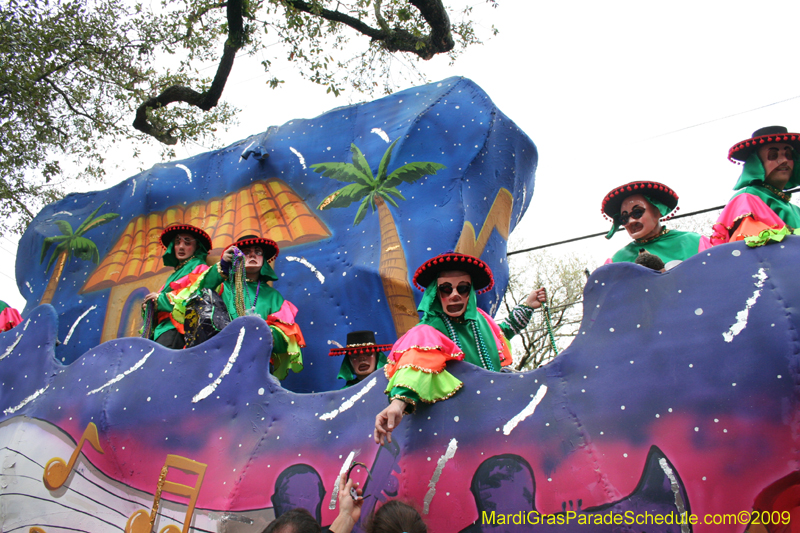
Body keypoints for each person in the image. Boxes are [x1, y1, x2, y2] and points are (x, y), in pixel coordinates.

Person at [374, 252, 546, 445]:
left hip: (497, 416)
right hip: (456, 429)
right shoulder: (427, 330)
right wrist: (398, 404)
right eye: (446, 289)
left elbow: (499, 336)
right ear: (437, 293)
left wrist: (527, 307)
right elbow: (416, 363)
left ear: (470, 291)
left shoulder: (480, 319)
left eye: (462, 288)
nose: (454, 294)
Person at [200, 234, 305, 379]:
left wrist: (260, 332)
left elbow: (285, 337)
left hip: (258, 365)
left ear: (264, 259)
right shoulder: (222, 287)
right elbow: (197, 296)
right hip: (222, 362)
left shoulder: (273, 296)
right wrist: (223, 265)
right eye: (246, 252)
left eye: (258, 252)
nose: (252, 255)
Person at [712, 126, 800, 244]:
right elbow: (754, 251)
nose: (784, 160)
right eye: (773, 155)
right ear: (756, 162)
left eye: (788, 155)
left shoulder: (796, 210)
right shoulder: (746, 199)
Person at [601, 181, 711, 264]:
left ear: (658, 211)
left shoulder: (693, 243)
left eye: (637, 212)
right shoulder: (617, 261)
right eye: (624, 219)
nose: (631, 222)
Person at [142, 224, 212, 349]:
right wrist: (149, 307)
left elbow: (194, 298)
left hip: (177, 330)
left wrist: (160, 300)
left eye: (187, 242)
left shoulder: (200, 269)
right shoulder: (175, 274)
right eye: (177, 242)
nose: (181, 246)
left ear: (196, 247)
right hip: (163, 330)